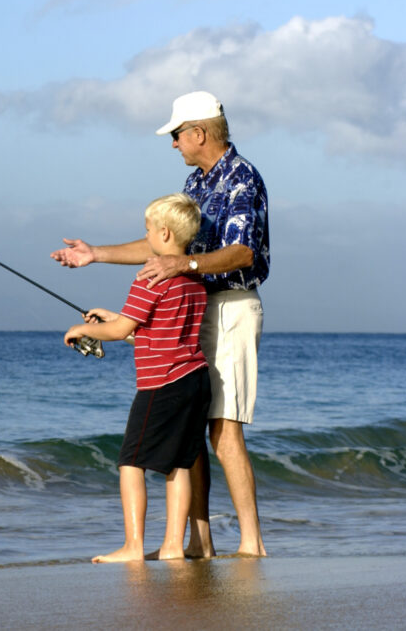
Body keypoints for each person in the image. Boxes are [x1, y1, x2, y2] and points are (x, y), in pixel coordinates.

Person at [52, 91, 269, 558]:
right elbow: (164, 249)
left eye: (176, 135)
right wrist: (96, 255)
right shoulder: (195, 183)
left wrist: (185, 267)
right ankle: (198, 540)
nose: (173, 144)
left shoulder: (242, 178)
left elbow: (242, 252)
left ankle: (251, 543)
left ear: (199, 133)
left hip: (231, 305)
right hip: (196, 304)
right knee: (190, 427)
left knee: (223, 428)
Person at [65, 193, 211, 563]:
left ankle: (133, 546)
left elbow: (121, 331)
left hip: (160, 384)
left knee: (131, 462)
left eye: (147, 230)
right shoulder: (195, 279)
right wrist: (113, 318)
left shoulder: (150, 277)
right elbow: (156, 328)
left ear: (163, 233)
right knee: (178, 464)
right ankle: (174, 547)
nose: (145, 236)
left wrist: (81, 328)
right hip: (195, 379)